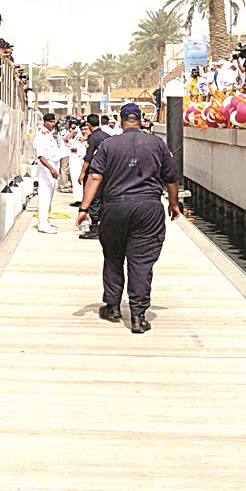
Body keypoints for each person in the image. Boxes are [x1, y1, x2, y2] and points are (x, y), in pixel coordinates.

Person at [75, 103, 181, 334]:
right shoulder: (157, 144)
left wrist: (84, 208)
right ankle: (138, 316)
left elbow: (95, 177)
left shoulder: (108, 145)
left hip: (115, 207)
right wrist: (173, 204)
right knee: (141, 261)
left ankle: (113, 307)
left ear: (122, 121)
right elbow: (171, 178)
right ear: (140, 120)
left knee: (113, 256)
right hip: (148, 208)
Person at [32, 113, 66, 234]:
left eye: (53, 122)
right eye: (50, 122)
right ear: (45, 122)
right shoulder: (41, 135)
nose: (52, 124)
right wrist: (51, 169)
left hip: (52, 165)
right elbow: (40, 155)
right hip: (47, 167)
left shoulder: (49, 134)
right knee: (44, 196)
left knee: (49, 196)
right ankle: (42, 224)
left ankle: (45, 221)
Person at [78, 113, 110, 239]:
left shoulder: (92, 137)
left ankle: (94, 228)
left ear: (88, 124)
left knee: (93, 198)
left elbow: (88, 157)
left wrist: (82, 173)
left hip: (94, 172)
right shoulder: (107, 136)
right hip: (106, 173)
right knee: (103, 199)